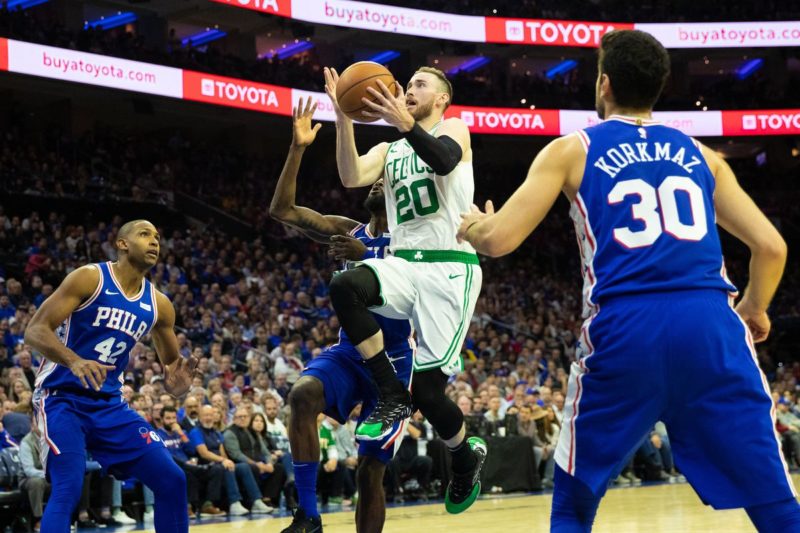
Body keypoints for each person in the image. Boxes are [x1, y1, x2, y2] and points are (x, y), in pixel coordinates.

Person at [457, 29, 800, 532]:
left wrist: (473, 228)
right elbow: (771, 247)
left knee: (575, 499)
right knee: (773, 501)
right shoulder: (703, 156)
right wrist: (753, 308)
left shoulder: (569, 150)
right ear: (658, 88)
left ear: (604, 84)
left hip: (625, 326)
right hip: (709, 323)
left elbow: (500, 241)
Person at [323, 64, 487, 514]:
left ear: (441, 99)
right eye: (408, 83)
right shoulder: (391, 147)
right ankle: (391, 394)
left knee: (431, 396)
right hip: (402, 261)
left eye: (420, 84)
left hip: (450, 269)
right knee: (346, 285)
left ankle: (462, 456)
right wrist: (342, 115)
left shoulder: (456, 127)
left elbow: (444, 160)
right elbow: (350, 175)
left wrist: (406, 123)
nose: (409, 89)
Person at [269, 97, 414, 532]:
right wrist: (298, 148)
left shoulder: (414, 241)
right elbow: (283, 211)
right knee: (301, 396)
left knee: (371, 470)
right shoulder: (345, 229)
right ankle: (309, 516)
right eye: (375, 180)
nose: (375, 185)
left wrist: (367, 255)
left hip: (395, 363)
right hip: (351, 353)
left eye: (385, 182)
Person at [25, 219, 199, 533]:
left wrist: (177, 387)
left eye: (158, 237)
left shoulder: (159, 305)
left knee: (172, 479)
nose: (154, 242)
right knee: (68, 487)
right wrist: (74, 361)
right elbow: (35, 330)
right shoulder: (90, 278)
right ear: (122, 243)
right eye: (145, 234)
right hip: (61, 399)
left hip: (109, 405)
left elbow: (173, 366)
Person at [189, 404, 273, 515]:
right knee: (226, 467)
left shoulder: (216, 432)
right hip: (205, 464)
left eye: (210, 415)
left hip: (220, 462)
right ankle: (234, 503)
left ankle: (256, 501)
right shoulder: (195, 432)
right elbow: (203, 453)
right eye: (205, 415)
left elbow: (222, 450)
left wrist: (227, 460)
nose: (208, 418)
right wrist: (223, 460)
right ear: (199, 417)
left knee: (242, 466)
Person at [157, 406, 225, 517]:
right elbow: (164, 456)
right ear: (162, 420)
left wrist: (181, 434)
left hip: (189, 464)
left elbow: (192, 451)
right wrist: (186, 464)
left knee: (216, 469)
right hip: (172, 466)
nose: (171, 421)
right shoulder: (158, 435)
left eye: (173, 418)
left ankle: (207, 505)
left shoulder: (181, 432)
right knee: (185, 472)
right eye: (168, 418)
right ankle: (187, 507)